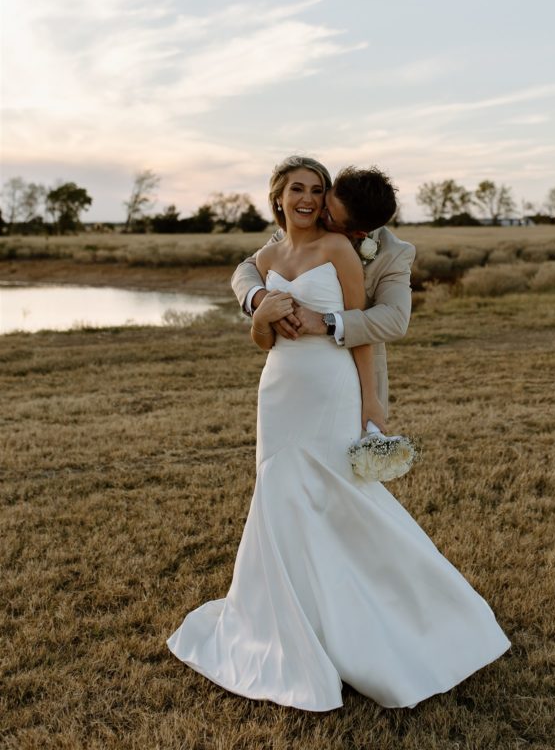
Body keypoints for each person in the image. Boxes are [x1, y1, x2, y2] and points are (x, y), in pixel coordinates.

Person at [167, 155, 510, 711]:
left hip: (330, 388)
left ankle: (419, 615)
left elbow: (369, 330)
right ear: (277, 196)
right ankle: (292, 621)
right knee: (280, 501)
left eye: (318, 190)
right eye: (299, 190)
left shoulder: (344, 250)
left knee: (342, 498)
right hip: (278, 391)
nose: (310, 200)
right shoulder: (264, 257)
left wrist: (371, 402)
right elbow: (263, 338)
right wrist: (261, 309)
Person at [231, 160, 417, 417]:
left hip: (347, 372)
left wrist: (326, 321)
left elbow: (395, 319)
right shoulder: (300, 230)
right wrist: (263, 300)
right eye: (325, 202)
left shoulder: (393, 253)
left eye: (330, 216)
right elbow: (247, 268)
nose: (318, 213)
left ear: (359, 232)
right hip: (287, 374)